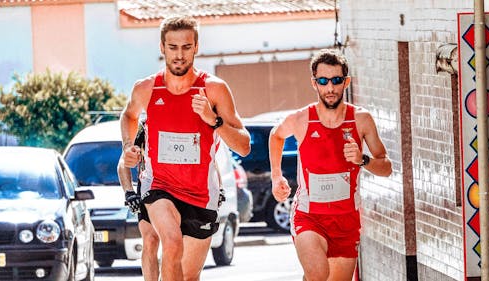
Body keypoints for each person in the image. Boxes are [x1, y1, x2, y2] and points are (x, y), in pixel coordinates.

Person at [120, 15, 251, 281]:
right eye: (173, 47)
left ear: (196, 47)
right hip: (159, 187)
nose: (179, 55)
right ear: (162, 47)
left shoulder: (213, 89)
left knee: (189, 276)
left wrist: (213, 121)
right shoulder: (146, 88)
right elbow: (129, 116)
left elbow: (244, 145)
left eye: (186, 47)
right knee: (171, 242)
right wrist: (128, 146)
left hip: (201, 195)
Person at [269, 48, 392, 281]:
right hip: (309, 216)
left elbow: (386, 166)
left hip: (346, 219)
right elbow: (276, 135)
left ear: (346, 82)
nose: (330, 88)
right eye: (323, 81)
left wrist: (362, 160)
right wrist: (277, 176)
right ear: (314, 83)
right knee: (317, 274)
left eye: (336, 81)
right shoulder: (301, 119)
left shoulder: (361, 119)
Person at [118, 121, 160, 281]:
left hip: (178, 187)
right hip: (148, 188)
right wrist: (129, 192)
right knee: (150, 239)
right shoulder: (144, 128)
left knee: (175, 242)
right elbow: (123, 163)